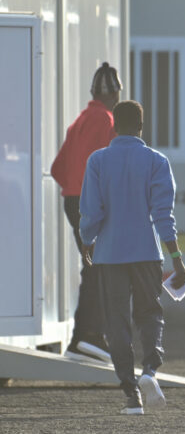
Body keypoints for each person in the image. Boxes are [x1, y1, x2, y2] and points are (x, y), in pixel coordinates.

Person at [79, 100, 185, 415]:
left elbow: (91, 211)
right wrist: (177, 258)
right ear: (142, 127)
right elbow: (163, 215)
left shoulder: (98, 161)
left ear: (114, 126)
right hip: (146, 253)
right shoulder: (156, 161)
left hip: (109, 254)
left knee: (116, 322)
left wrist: (88, 240)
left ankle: (131, 395)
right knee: (150, 314)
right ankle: (150, 372)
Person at [51, 62, 122, 364]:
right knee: (99, 267)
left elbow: (57, 169)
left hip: (73, 200)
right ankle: (88, 338)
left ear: (94, 91)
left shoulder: (79, 121)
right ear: (115, 94)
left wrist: (75, 188)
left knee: (92, 265)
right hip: (91, 203)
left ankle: (82, 339)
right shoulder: (107, 120)